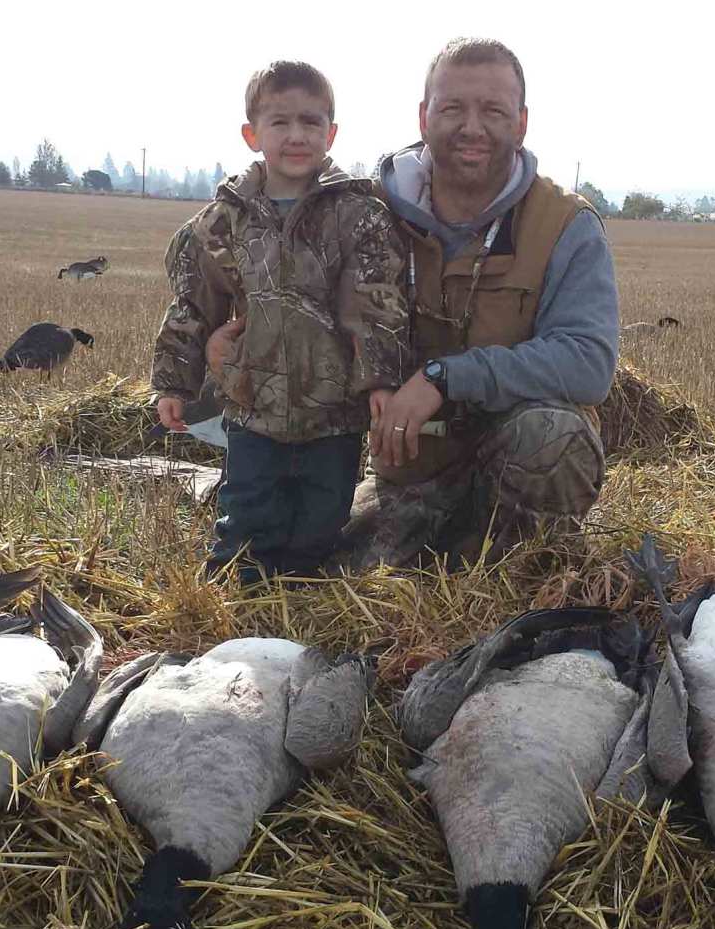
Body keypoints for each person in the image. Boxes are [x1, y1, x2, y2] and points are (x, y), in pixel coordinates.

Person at [207, 37, 619, 567]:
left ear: (521, 123)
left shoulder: (566, 225)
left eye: (493, 110)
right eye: (453, 108)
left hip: (517, 458)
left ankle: (521, 573)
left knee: (552, 437)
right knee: (330, 583)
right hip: (408, 471)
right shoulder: (363, 214)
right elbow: (274, 285)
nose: (472, 127)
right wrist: (230, 347)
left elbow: (588, 362)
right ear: (424, 117)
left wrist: (443, 377)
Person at [153, 60, 410, 586]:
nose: (297, 136)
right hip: (252, 407)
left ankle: (305, 598)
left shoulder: (359, 214)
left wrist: (382, 381)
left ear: (331, 133)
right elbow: (193, 306)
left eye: (311, 122)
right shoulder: (223, 221)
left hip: (335, 413)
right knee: (247, 519)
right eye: (281, 122)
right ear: (252, 134)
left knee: (322, 523)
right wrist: (173, 382)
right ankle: (239, 598)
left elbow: (378, 305)